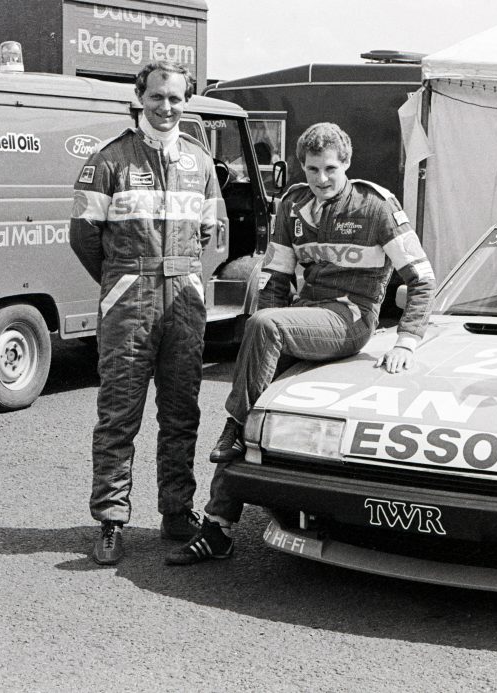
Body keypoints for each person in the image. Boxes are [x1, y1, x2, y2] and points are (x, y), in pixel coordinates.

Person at [166, 122, 436, 565]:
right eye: (313, 169)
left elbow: (422, 279)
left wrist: (406, 341)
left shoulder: (377, 205)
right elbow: (274, 279)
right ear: (301, 167)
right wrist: (265, 320)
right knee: (257, 399)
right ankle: (218, 528)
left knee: (258, 356)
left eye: (331, 168)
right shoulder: (292, 205)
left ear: (346, 164)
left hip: (350, 318)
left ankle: (234, 426)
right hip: (301, 316)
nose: (322, 178)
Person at [70, 62, 225, 565]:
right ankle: (112, 520)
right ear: (140, 97)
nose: (166, 107)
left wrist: (181, 275)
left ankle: (177, 512)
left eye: (176, 98)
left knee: (182, 413)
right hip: (130, 297)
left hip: (183, 298)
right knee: (119, 414)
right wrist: (121, 281)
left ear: (187, 100)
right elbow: (83, 236)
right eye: (157, 97)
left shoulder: (200, 163)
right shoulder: (109, 159)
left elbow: (208, 233)